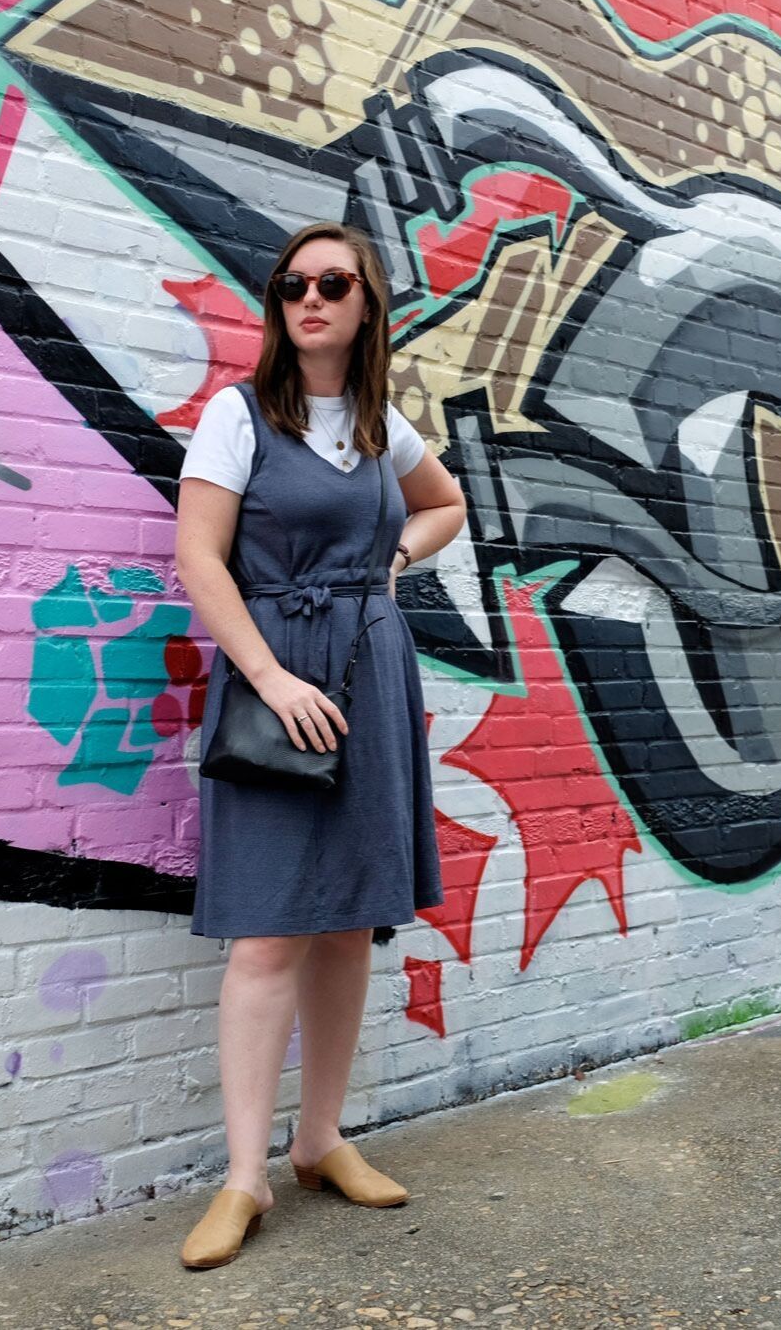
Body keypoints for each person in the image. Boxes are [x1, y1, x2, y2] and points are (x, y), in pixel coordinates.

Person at [171, 222, 466, 1270]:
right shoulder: (238, 414)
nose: (308, 298)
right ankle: (242, 1176)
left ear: (364, 303)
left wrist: (394, 553)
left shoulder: (383, 421)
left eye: (331, 283)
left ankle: (318, 1140)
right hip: (278, 681)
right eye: (290, 283)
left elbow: (446, 505)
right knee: (265, 935)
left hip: (369, 674)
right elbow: (198, 558)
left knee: (348, 925)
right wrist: (268, 674)